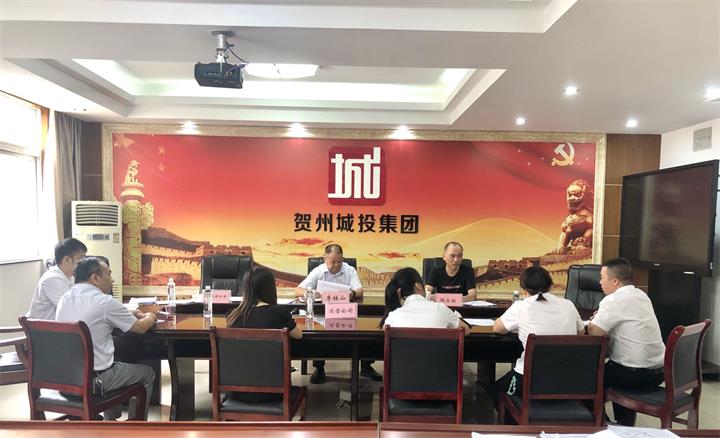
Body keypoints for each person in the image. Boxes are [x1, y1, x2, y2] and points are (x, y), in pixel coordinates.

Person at [55, 257, 157, 420]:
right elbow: (141, 327)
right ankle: (135, 427)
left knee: (111, 359)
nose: (112, 279)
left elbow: (95, 315)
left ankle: (111, 420)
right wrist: (151, 315)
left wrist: (125, 314)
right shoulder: (104, 302)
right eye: (109, 274)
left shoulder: (65, 298)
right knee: (147, 374)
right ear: (95, 278)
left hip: (65, 379)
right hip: (94, 381)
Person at [491, 266, 584, 418]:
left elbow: (498, 328)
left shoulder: (522, 306)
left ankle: (516, 425)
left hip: (530, 380)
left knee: (497, 390)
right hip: (568, 379)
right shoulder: (568, 305)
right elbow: (580, 333)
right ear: (550, 286)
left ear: (524, 290)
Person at [588, 257, 665, 426]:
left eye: (602, 277)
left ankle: (600, 424)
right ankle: (622, 424)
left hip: (633, 375)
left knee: (586, 375)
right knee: (613, 367)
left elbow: (595, 331)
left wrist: (594, 322)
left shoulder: (614, 300)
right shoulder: (642, 295)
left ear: (615, 281)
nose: (600, 282)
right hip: (659, 373)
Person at [294, 244, 379, 383]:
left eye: (339, 261)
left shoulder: (349, 270)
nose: (337, 265)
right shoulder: (318, 271)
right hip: (323, 316)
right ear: (325, 258)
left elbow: (360, 290)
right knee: (317, 332)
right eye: (333, 262)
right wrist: (311, 293)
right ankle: (319, 368)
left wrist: (352, 293)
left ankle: (366, 366)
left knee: (367, 331)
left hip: (345, 314)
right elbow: (298, 290)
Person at [224, 268, 302, 402]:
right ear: (270, 288)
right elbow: (299, 335)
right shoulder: (278, 313)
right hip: (274, 393)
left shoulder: (233, 316)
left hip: (237, 393)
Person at [380, 267, 471, 333]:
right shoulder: (440, 309)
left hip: (406, 355)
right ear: (418, 286)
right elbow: (465, 330)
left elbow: (384, 333)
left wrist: (401, 305)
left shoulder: (393, 316)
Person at [27, 238, 87, 320]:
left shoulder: (69, 277)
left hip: (58, 325)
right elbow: (71, 309)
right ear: (67, 260)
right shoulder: (52, 279)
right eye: (80, 261)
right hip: (43, 327)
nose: (83, 264)